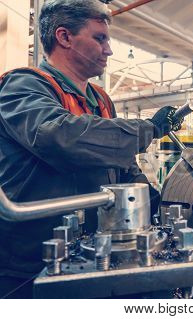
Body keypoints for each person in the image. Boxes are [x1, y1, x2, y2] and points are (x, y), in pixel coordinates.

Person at [0, 0, 181, 298]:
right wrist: (149, 128)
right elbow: (61, 137)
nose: (108, 49)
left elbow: (120, 164)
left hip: (90, 250)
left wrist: (159, 203)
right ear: (65, 37)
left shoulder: (101, 99)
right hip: (29, 261)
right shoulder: (24, 85)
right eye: (100, 38)